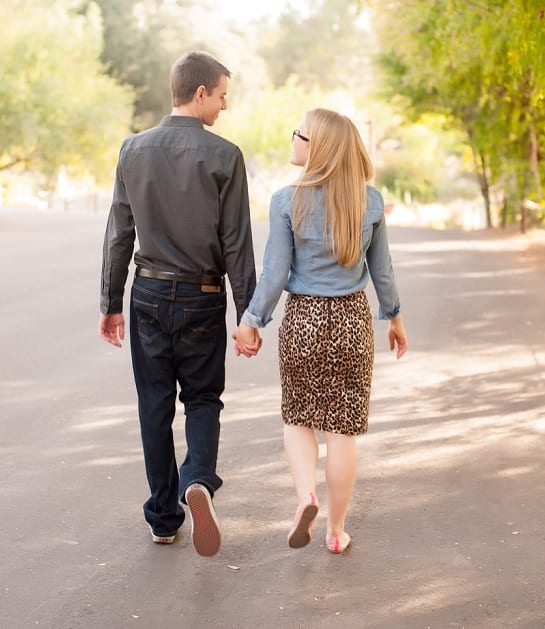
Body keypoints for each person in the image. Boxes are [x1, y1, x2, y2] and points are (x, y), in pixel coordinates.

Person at [99, 51, 259, 556]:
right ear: (199, 94)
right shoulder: (224, 156)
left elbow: (119, 232)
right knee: (203, 399)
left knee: (154, 405)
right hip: (203, 295)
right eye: (222, 95)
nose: (225, 106)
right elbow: (236, 241)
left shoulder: (132, 149)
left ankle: (164, 518)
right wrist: (247, 315)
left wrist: (110, 300)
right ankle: (198, 481)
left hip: (146, 291)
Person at [233, 108, 408, 554]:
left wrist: (251, 322)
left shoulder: (286, 200)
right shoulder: (369, 201)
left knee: (298, 419)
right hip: (352, 321)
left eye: (300, 135)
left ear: (319, 148)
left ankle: (305, 497)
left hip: (305, 320)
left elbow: (274, 274)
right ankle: (335, 531)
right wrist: (395, 318)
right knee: (342, 432)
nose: (294, 140)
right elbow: (382, 270)